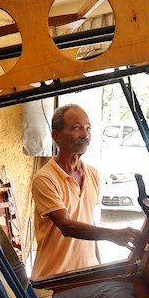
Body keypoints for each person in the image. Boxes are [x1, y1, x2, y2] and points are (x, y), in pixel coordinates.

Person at [30, 104, 141, 279]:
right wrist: (113, 234)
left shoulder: (93, 175)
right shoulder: (45, 179)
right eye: (76, 128)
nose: (85, 134)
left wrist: (99, 265)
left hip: (89, 272)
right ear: (56, 136)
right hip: (55, 277)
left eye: (88, 128)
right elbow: (66, 226)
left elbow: (89, 221)